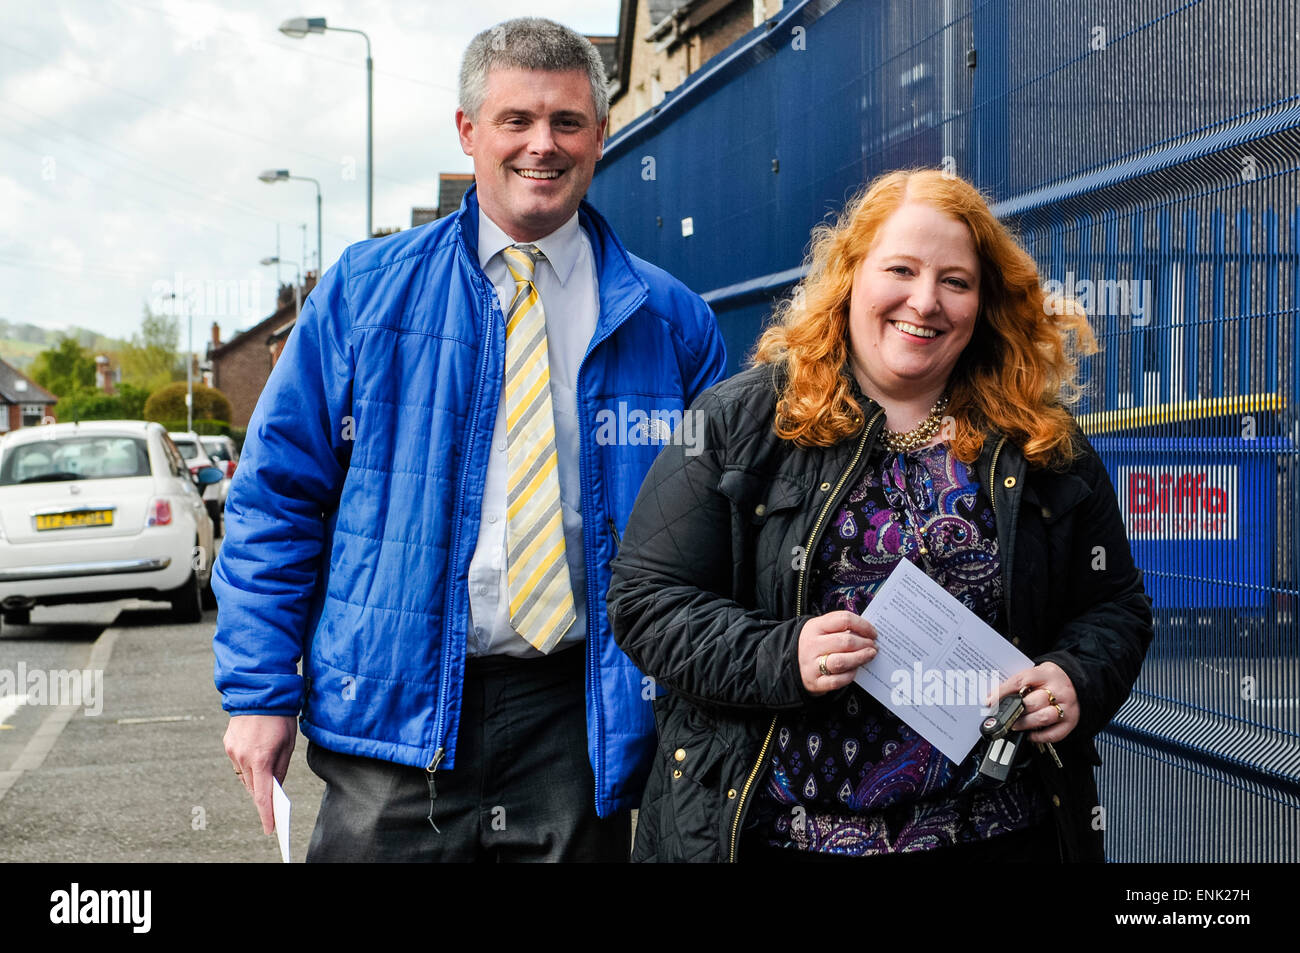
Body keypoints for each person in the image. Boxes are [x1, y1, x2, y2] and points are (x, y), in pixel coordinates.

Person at [214, 17, 726, 862]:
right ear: (467, 133)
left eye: (567, 122)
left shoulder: (672, 321)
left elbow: (719, 525)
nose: (543, 145)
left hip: (579, 721)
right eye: (516, 120)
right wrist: (260, 691)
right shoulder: (364, 294)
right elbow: (277, 499)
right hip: (392, 718)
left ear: (601, 135)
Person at [607, 168, 1153, 863]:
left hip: (999, 833)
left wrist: (1075, 678)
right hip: (781, 835)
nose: (925, 302)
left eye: (955, 281)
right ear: (851, 275)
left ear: (983, 301)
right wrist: (782, 655)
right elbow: (645, 600)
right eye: (901, 268)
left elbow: (1116, 606)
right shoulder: (742, 422)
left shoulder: (1041, 441)